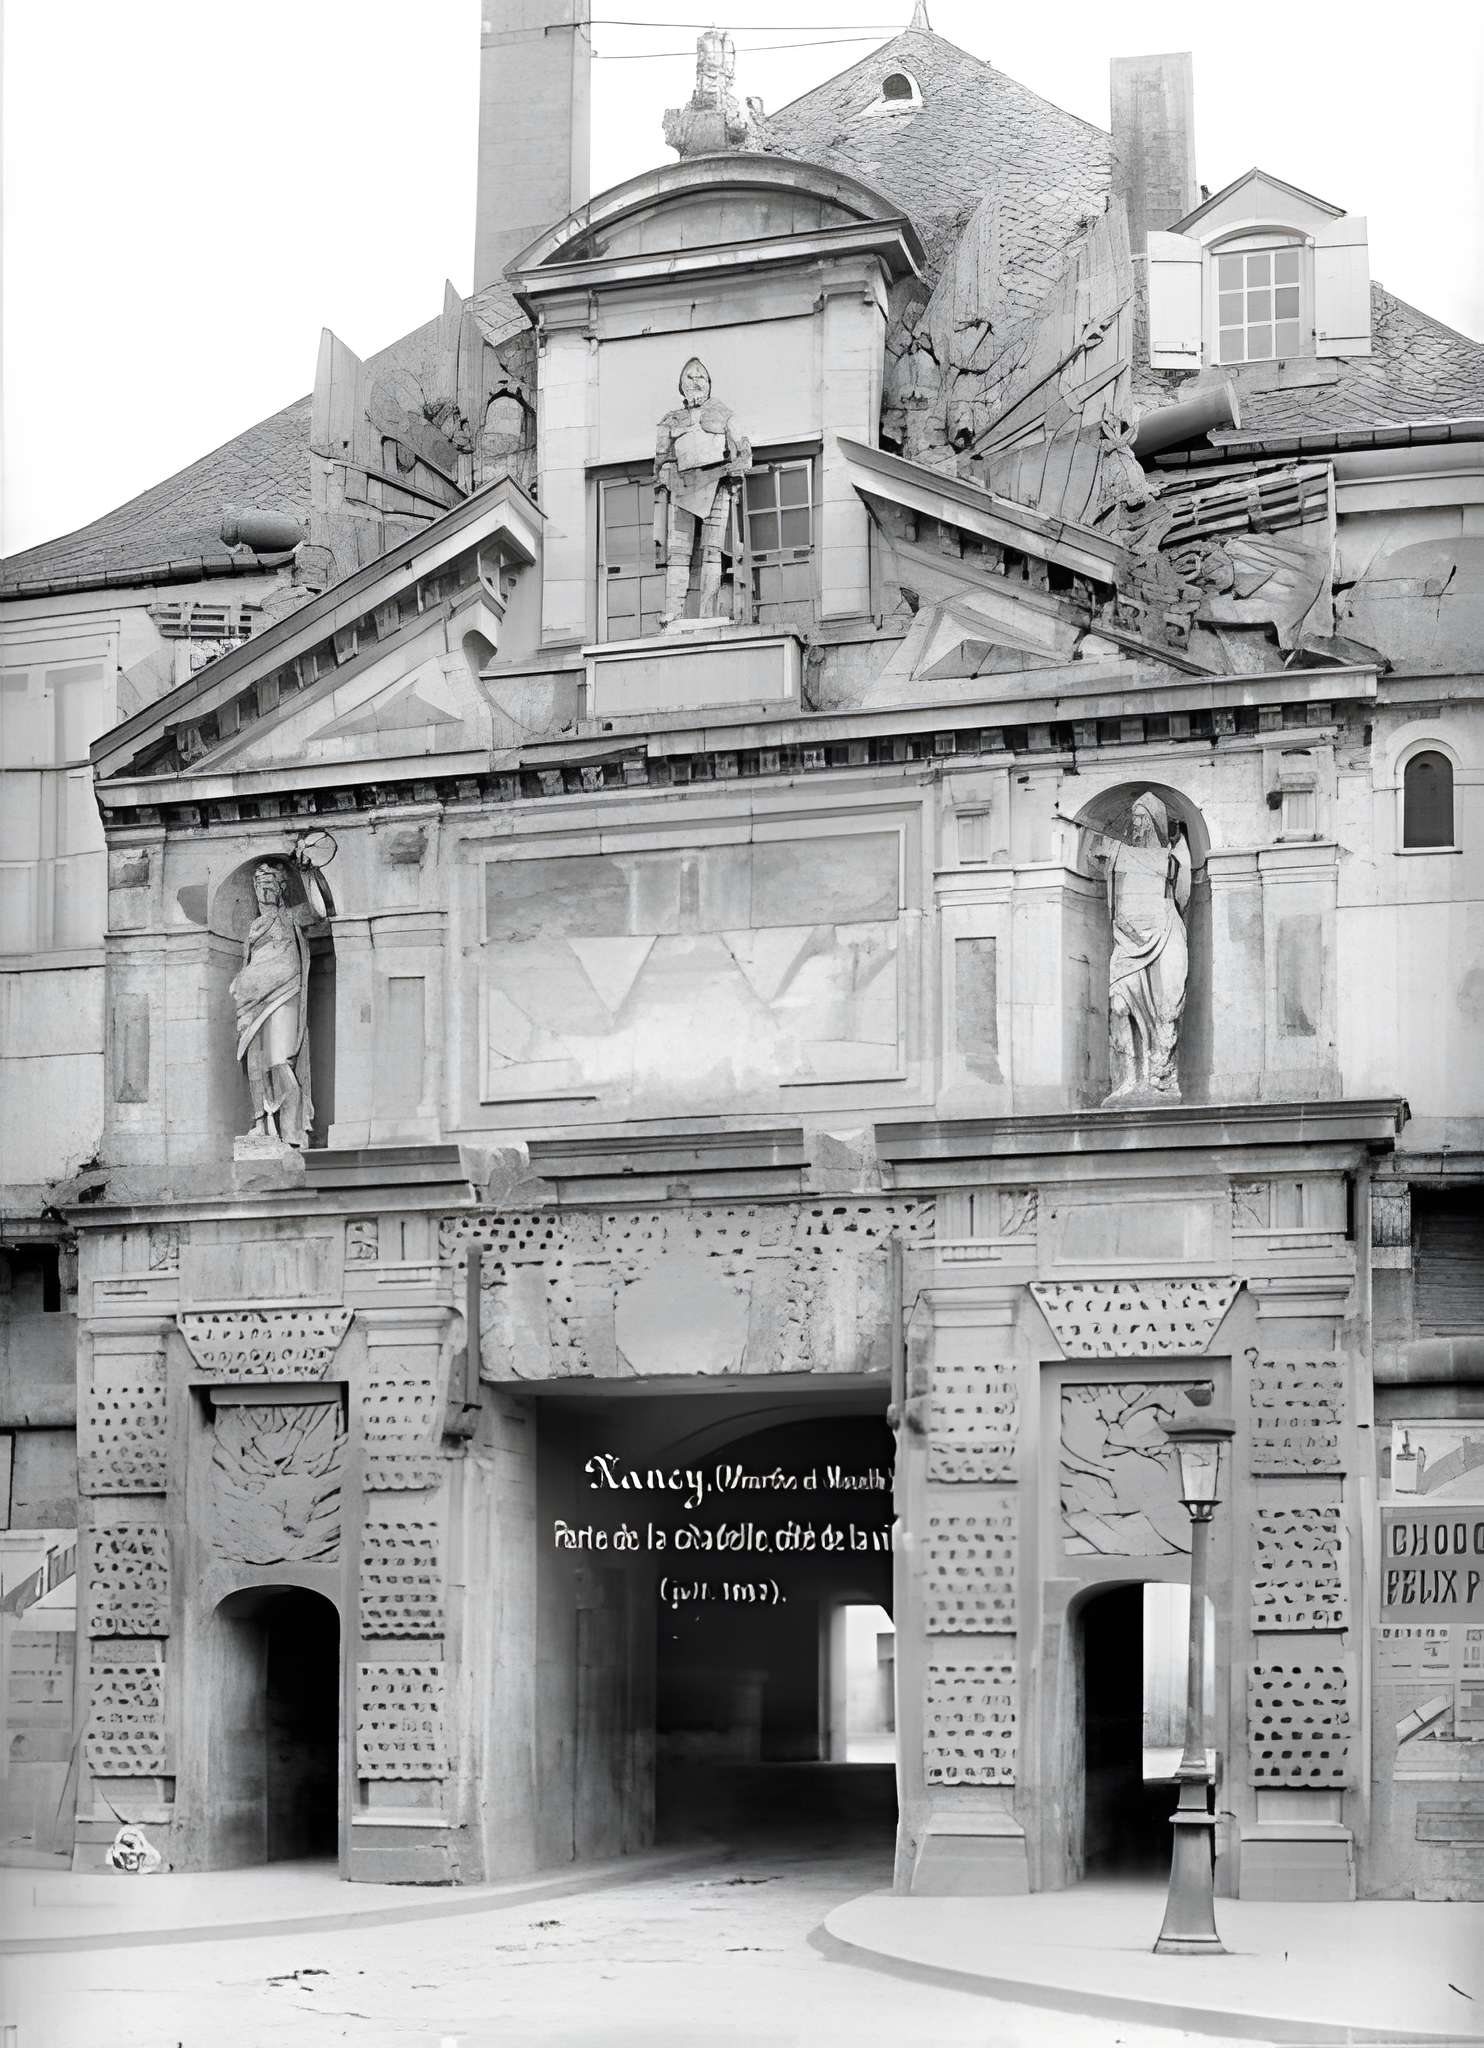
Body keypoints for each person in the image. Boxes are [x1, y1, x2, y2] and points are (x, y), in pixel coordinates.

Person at [1087, 791, 1192, 1103]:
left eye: (1144, 819)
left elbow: (1182, 893)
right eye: (1134, 819)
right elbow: (1095, 854)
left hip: (1164, 931)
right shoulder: (1120, 854)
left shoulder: (1171, 858)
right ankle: (1128, 1079)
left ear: (1156, 823)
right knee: (1118, 1005)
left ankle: (1159, 1078)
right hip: (1125, 942)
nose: (1138, 825)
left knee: (1166, 1007)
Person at [229, 845, 329, 1148]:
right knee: (256, 1061)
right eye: (258, 885)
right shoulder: (253, 927)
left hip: (285, 993)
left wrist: (308, 873)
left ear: (282, 887)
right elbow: (250, 962)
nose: (263, 890)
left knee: (279, 1059)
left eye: (270, 883)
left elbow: (320, 911)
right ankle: (262, 1123)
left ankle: (293, 1130)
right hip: (251, 1002)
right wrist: (240, 983)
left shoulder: (292, 916)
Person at [653, 356, 751, 626]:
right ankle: (673, 612)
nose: (696, 381)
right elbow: (660, 461)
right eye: (690, 377)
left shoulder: (725, 414)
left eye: (701, 377)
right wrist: (665, 480)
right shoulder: (669, 421)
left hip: (716, 484)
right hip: (681, 488)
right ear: (681, 384)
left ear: (709, 383)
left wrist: (733, 471)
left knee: (712, 551)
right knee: (678, 555)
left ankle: (708, 613)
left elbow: (745, 453)